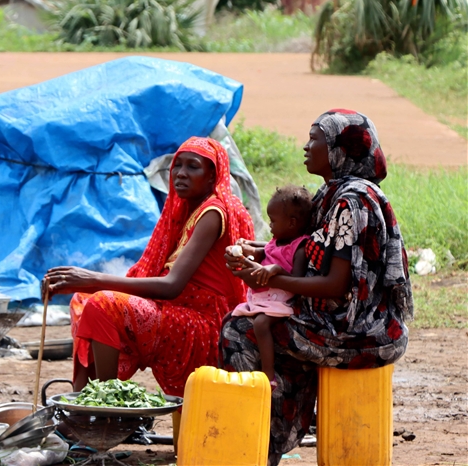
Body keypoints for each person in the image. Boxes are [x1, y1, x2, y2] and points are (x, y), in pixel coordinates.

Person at [221, 109, 413, 466]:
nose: (306, 147)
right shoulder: (331, 193)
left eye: (316, 140)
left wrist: (267, 277)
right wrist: (259, 252)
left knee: (238, 330)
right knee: (253, 320)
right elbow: (304, 248)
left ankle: (264, 440)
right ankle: (271, 433)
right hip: (332, 321)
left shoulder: (350, 202)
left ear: (341, 148)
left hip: (357, 332)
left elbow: (335, 285)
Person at [43, 137, 255, 396]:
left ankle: (104, 406)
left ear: (213, 176)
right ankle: (82, 408)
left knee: (102, 304)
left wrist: (93, 278)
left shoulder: (214, 212)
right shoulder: (187, 210)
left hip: (206, 326)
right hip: (180, 312)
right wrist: (86, 284)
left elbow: (171, 286)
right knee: (82, 300)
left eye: (193, 167)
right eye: (177, 166)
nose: (181, 174)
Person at [229, 185, 313, 386]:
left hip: (280, 300)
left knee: (260, 324)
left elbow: (297, 281)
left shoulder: (299, 247)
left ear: (292, 223)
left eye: (273, 221)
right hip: (264, 296)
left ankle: (269, 374)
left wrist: (274, 270)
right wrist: (245, 250)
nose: (270, 225)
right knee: (235, 317)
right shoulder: (277, 241)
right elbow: (263, 252)